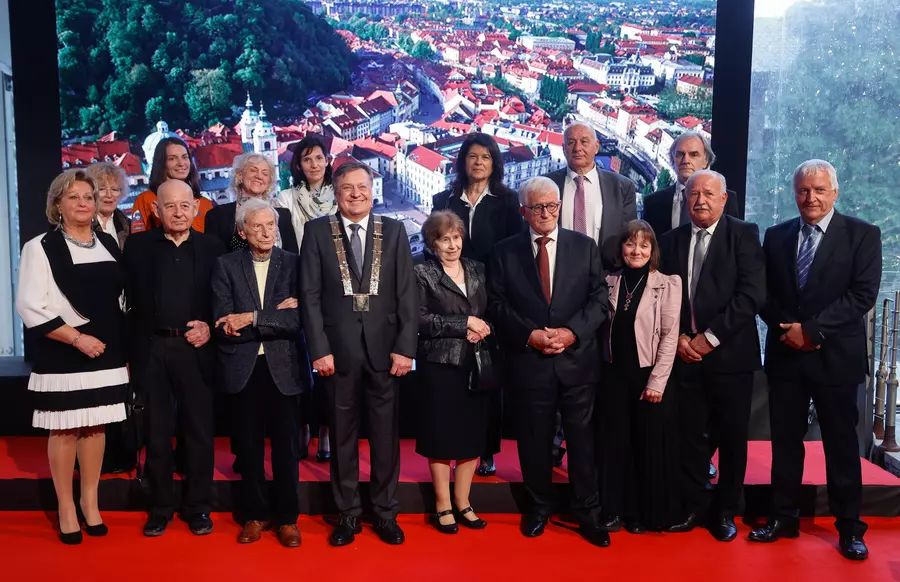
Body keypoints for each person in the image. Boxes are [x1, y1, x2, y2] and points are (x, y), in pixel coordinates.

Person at [750, 160, 880, 561]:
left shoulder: (862, 234)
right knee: (785, 443)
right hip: (786, 356)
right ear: (795, 193)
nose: (811, 198)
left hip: (835, 358)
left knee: (842, 446)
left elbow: (862, 295)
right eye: (804, 190)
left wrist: (812, 331)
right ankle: (783, 518)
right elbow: (763, 293)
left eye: (820, 190)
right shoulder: (776, 236)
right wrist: (789, 330)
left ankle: (850, 528)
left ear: (834, 193)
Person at [487, 176, 610, 547]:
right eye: (537, 207)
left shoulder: (584, 247)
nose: (545, 213)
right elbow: (496, 304)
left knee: (582, 442)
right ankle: (538, 507)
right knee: (534, 441)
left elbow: (599, 300)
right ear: (523, 211)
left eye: (552, 206)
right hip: (529, 361)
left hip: (577, 361)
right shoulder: (504, 252)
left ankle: (588, 512)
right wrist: (530, 335)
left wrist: (571, 333)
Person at [299, 162, 417, 546]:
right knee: (342, 437)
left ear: (372, 189)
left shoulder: (394, 230)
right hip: (337, 354)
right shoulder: (316, 232)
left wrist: (405, 348)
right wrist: (318, 350)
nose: (355, 194)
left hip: (386, 352)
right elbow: (309, 297)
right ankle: (347, 514)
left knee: (385, 438)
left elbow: (407, 295)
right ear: (336, 192)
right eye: (347, 187)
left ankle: (385, 512)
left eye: (362, 186)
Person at [15, 169, 128, 544]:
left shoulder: (107, 242)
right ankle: (66, 508)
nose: (83, 203)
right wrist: (78, 339)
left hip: (106, 352)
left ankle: (89, 502)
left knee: (95, 427)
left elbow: (119, 298)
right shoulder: (39, 247)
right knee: (64, 429)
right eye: (73, 197)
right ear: (57, 205)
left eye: (88, 197)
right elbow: (30, 305)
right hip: (64, 351)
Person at [659, 170, 766, 542]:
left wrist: (709, 338)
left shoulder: (744, 234)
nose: (700, 200)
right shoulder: (670, 240)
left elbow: (751, 295)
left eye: (708, 193)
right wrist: (680, 338)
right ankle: (692, 507)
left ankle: (724, 512)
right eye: (693, 194)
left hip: (730, 358)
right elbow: (662, 297)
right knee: (689, 438)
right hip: (684, 355)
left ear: (724, 198)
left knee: (732, 438)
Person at [123, 179, 225, 537]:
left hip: (197, 349)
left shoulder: (213, 247)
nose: (179, 212)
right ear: (156, 210)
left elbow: (225, 298)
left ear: (195, 208)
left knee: (199, 431)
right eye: (170, 206)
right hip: (152, 349)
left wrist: (211, 327)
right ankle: (160, 507)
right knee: (156, 432)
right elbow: (127, 302)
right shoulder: (136, 247)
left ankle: (198, 507)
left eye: (185, 205)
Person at [211, 198, 311, 548]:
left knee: (287, 449)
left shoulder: (295, 264)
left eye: (271, 225)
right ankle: (253, 515)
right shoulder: (225, 266)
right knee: (249, 448)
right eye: (258, 226)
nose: (267, 232)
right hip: (242, 367)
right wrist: (273, 318)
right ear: (243, 232)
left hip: (285, 368)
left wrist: (252, 317)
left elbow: (298, 321)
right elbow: (224, 323)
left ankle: (287, 519)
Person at [432, 132, 524, 477]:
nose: (479, 162)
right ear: (463, 161)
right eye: (473, 156)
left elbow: (515, 252)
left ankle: (486, 450)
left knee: (487, 377)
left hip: (491, 298)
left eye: (486, 157)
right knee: (453, 380)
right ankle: (455, 446)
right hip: (449, 297)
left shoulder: (508, 201)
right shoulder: (444, 199)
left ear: (494, 162)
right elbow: (432, 247)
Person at [597, 220, 681, 532]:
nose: (636, 251)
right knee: (614, 445)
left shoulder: (669, 284)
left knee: (645, 446)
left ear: (652, 249)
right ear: (621, 247)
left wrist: (657, 382)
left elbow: (670, 337)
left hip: (648, 378)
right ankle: (613, 509)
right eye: (631, 244)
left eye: (644, 245)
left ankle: (639, 513)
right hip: (612, 375)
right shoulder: (608, 280)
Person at [415, 210, 492, 534]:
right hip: (440, 365)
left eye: (456, 237)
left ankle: (464, 502)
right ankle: (443, 504)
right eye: (444, 239)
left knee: (471, 436)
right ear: (432, 244)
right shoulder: (422, 272)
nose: (452, 245)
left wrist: (483, 327)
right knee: (441, 436)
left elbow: (490, 310)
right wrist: (464, 324)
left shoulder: (477, 268)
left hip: (476, 363)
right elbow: (419, 319)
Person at [274, 134, 335, 462]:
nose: (314, 164)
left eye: (319, 157)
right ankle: (302, 426)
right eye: (306, 158)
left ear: (327, 161)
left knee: (329, 367)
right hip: (297, 288)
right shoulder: (285, 199)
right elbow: (282, 251)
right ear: (298, 164)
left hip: (334, 292)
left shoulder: (341, 197)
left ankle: (325, 429)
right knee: (299, 366)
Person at [544, 121, 637, 270]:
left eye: (584, 142)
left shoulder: (622, 187)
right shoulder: (546, 185)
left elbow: (630, 237)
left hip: (606, 275)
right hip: (557, 274)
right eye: (571, 142)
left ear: (596, 146)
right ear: (563, 148)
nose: (577, 148)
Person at [642, 131, 741, 236]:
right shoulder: (653, 202)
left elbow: (733, 240)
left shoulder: (726, 200)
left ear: (706, 161)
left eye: (694, 155)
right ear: (672, 160)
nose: (686, 160)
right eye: (680, 154)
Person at [205, 152, 297, 254]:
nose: (259, 176)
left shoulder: (283, 216)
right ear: (240, 175)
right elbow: (212, 258)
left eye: (265, 173)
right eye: (253, 170)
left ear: (269, 182)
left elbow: (292, 257)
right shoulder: (217, 216)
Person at [129, 137, 213, 233]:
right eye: (172, 158)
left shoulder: (204, 203)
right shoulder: (146, 200)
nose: (181, 163)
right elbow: (137, 239)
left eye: (185, 157)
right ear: (161, 163)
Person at [86, 162, 130, 249]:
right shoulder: (81, 224)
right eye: (101, 189)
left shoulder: (128, 226)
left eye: (114, 189)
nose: (109, 195)